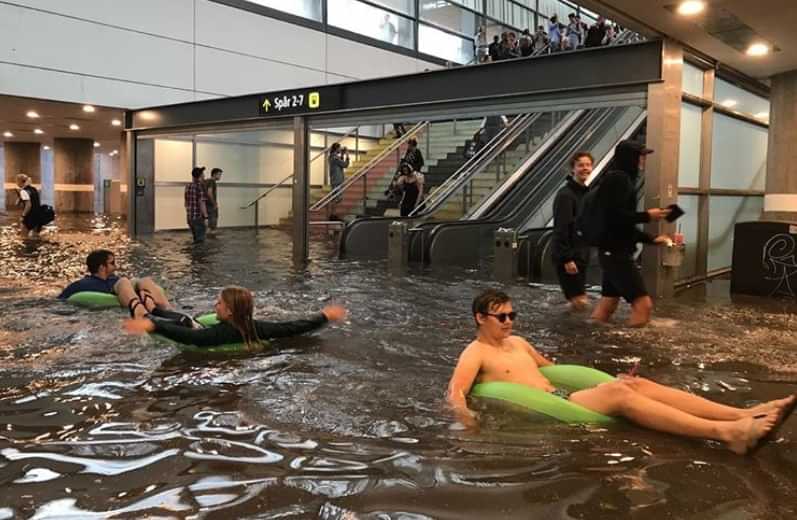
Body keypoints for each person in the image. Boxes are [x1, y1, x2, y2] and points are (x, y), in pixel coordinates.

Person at [447, 289, 796, 455]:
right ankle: (726, 433)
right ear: (480, 318)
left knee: (635, 383)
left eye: (512, 315)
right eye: (502, 317)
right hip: (552, 406)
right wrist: (469, 425)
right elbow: (456, 393)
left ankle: (745, 413)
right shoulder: (475, 353)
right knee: (619, 394)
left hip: (563, 394)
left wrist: (610, 381)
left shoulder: (519, 343)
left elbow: (554, 371)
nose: (509, 321)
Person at [589, 140, 672, 327]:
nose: (643, 160)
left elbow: (622, 224)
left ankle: (591, 336)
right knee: (643, 305)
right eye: (641, 155)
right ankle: (631, 344)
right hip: (616, 252)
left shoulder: (620, 179)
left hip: (612, 250)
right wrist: (647, 216)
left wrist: (651, 238)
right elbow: (614, 217)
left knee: (609, 303)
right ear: (629, 157)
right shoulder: (620, 180)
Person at [123, 286, 347, 351]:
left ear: (230, 311)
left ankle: (147, 308)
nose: (215, 305)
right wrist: (324, 316)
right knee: (181, 317)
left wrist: (152, 325)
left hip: (186, 326)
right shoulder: (257, 327)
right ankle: (152, 306)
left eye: (219, 303)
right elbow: (292, 327)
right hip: (193, 324)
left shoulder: (219, 333)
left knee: (180, 320)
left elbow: (191, 337)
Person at [58, 249, 180, 322]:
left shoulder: (114, 278)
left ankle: (169, 310)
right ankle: (140, 313)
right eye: (112, 263)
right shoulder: (82, 284)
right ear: (102, 267)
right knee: (124, 281)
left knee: (144, 280)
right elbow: (60, 301)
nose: (115, 266)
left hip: (124, 291)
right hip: (114, 295)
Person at [552, 152, 593, 310]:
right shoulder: (565, 195)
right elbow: (561, 228)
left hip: (581, 255)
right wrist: (567, 259)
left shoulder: (586, 193)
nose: (585, 168)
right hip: (569, 257)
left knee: (577, 301)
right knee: (580, 302)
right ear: (572, 169)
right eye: (580, 165)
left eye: (588, 165)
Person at [185, 166, 208, 243]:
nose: (204, 176)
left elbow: (186, 202)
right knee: (200, 241)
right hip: (198, 218)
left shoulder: (188, 186)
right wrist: (206, 217)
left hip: (190, 218)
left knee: (195, 239)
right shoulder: (200, 186)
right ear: (200, 175)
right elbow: (202, 203)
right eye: (203, 174)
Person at [328, 143, 350, 220]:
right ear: (336, 148)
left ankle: (333, 214)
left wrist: (342, 155)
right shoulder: (335, 157)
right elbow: (345, 165)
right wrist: (347, 155)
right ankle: (333, 214)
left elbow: (340, 164)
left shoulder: (332, 156)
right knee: (337, 198)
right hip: (337, 180)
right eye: (339, 148)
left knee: (335, 198)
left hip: (334, 179)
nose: (340, 149)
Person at [204, 167, 223, 233]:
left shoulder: (206, 181)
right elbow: (209, 193)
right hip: (210, 205)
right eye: (219, 174)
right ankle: (212, 235)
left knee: (208, 223)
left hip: (206, 205)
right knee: (212, 223)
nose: (220, 176)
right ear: (214, 174)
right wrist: (214, 203)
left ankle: (208, 235)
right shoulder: (212, 181)